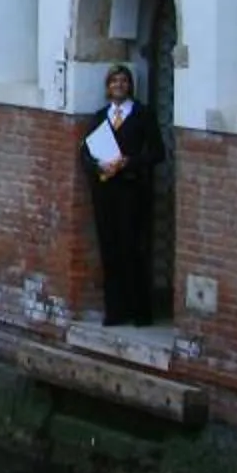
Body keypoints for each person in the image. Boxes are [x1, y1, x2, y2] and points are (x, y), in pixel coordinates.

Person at [83, 64, 166, 326]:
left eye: (123, 80)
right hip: (106, 190)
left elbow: (157, 153)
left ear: (130, 86)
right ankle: (115, 310)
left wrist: (129, 162)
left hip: (132, 190)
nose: (119, 85)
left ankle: (140, 310)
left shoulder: (143, 115)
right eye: (114, 81)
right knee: (110, 248)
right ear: (107, 87)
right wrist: (99, 166)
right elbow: (85, 152)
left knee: (134, 248)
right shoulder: (99, 117)